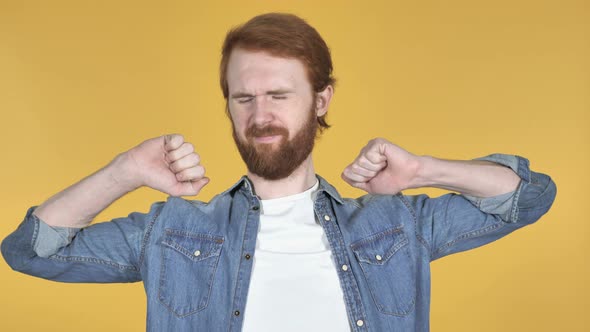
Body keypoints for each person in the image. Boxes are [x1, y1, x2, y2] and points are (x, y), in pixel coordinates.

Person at [1, 13, 556, 332]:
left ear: (321, 100)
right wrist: (123, 172)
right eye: (243, 98)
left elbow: (527, 197)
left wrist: (422, 171)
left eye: (278, 95)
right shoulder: (171, 232)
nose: (260, 116)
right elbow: (30, 250)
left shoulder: (395, 225)